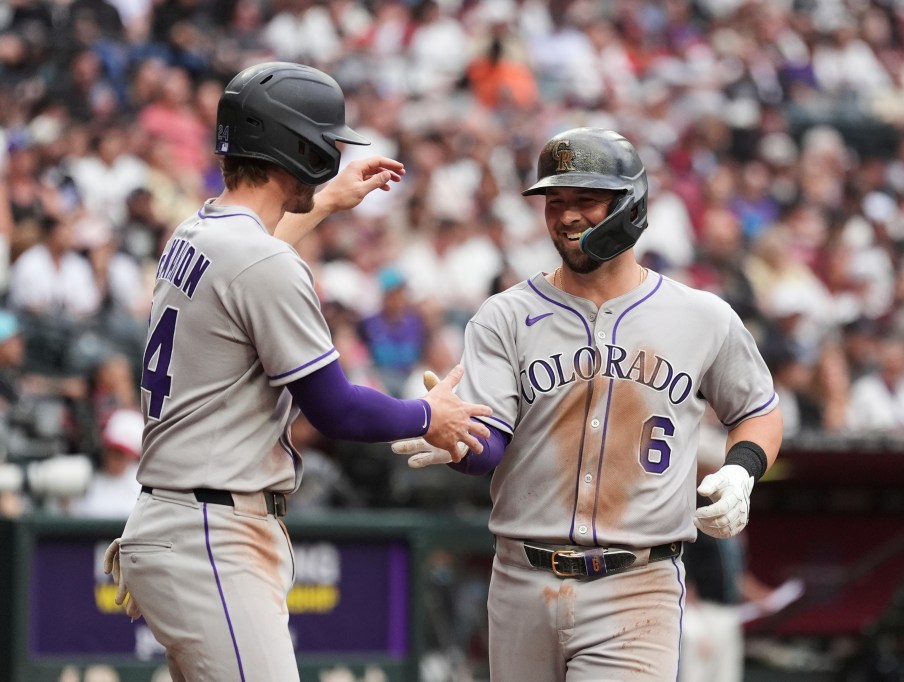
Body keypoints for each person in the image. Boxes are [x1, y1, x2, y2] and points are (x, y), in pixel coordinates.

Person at [101, 61, 493, 682]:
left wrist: (329, 200)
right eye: (324, 144)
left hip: (176, 520)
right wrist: (429, 415)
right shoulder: (261, 261)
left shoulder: (195, 229)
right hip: (212, 534)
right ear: (296, 146)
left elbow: (255, 255)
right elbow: (333, 407)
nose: (333, 156)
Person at [393, 127, 783, 680]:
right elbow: (489, 447)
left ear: (630, 207)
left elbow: (759, 411)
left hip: (637, 584)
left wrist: (743, 472)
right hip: (522, 581)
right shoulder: (505, 315)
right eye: (555, 202)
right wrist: (453, 435)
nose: (566, 217)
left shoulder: (702, 317)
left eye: (585, 201)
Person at [67, 407, 144, 518]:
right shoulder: (86, 476)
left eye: (121, 454)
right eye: (112, 450)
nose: (114, 458)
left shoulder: (142, 486)